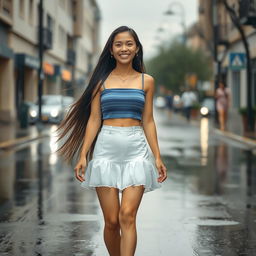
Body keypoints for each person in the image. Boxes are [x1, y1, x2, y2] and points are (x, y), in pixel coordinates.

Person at [56, 26, 167, 256]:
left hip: (137, 152)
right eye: (118, 44)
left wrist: (157, 156)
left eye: (129, 44)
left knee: (127, 216)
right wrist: (84, 154)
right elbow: (94, 120)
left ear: (136, 49)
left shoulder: (147, 81)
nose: (124, 48)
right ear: (111, 50)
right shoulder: (101, 82)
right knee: (111, 222)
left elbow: (148, 121)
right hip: (106, 151)